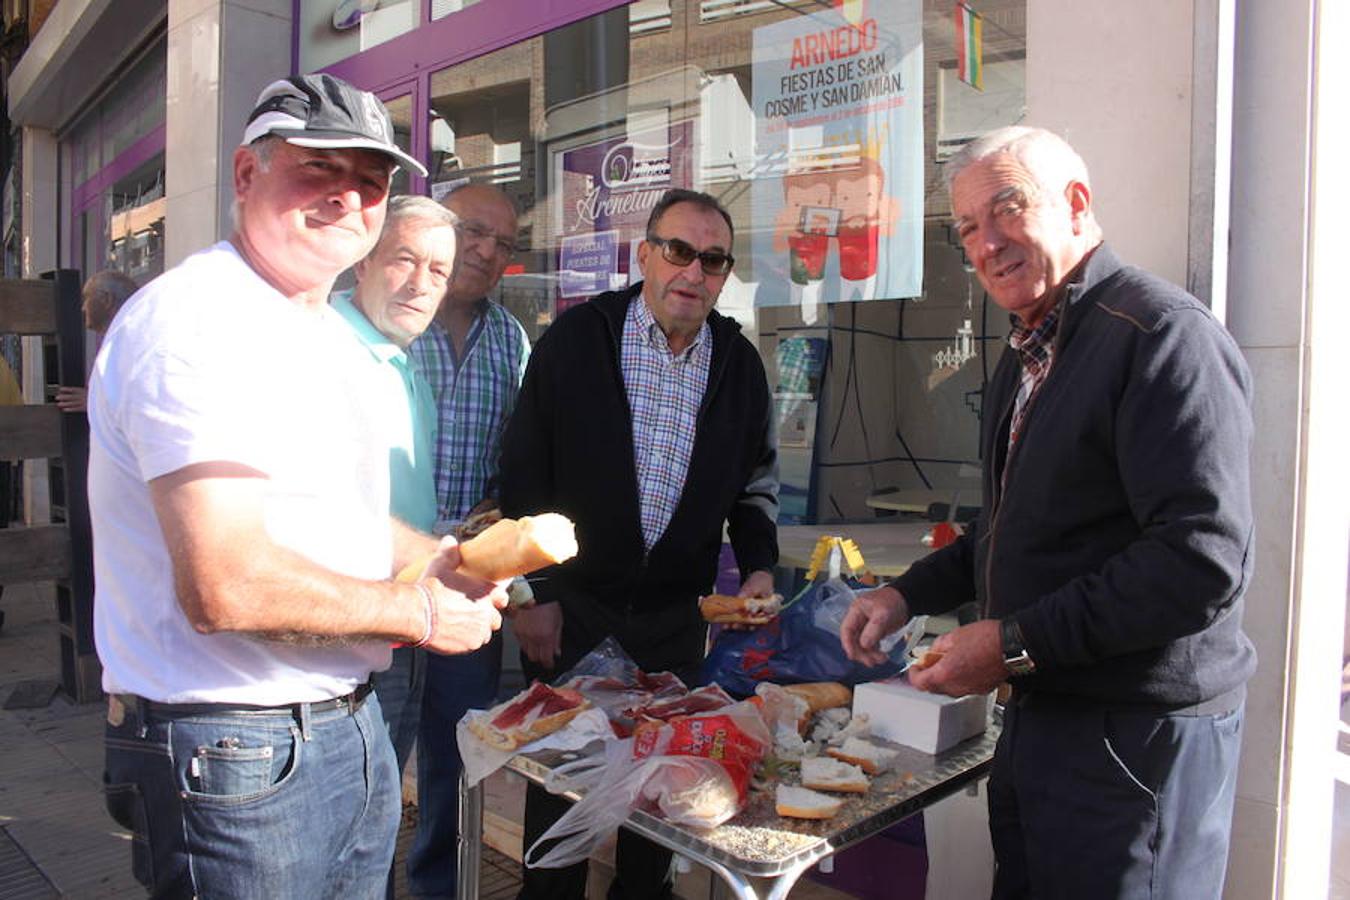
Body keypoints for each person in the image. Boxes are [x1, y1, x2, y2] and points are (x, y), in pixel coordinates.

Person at [88, 73, 509, 899]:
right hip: (232, 747)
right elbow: (226, 584)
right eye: (319, 169)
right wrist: (422, 612)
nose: (348, 197)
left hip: (332, 729)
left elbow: (333, 512)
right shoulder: (198, 324)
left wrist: (438, 560)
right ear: (247, 174)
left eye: (371, 180)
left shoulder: (311, 328)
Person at [840, 126, 1255, 900]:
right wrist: (906, 595)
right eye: (967, 227)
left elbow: (1200, 562)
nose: (988, 243)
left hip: (1135, 740)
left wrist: (1012, 644)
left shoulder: (1161, 336)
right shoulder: (1030, 348)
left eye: (1008, 209)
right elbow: (1007, 527)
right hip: (1044, 717)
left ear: (1076, 205)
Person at [500, 187, 780, 900]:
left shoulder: (739, 365)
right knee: (558, 799)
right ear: (645, 255)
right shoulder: (578, 338)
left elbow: (754, 487)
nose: (693, 273)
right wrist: (535, 592)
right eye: (679, 251)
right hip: (576, 606)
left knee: (657, 812)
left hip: (674, 621)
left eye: (712, 260)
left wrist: (758, 569)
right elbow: (525, 473)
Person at [405, 182, 530, 899]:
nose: (487, 251)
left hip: (466, 596)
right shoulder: (384, 323)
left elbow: (513, 466)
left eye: (504, 243)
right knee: (368, 763)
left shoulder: (510, 340)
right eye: (474, 232)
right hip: (382, 586)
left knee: (454, 769)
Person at [330, 193, 457, 895]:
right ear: (365, 261)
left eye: (437, 270)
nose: (420, 283)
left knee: (376, 815)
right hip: (343, 631)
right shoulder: (329, 347)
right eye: (405, 259)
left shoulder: (403, 361)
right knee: (347, 827)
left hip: (406, 621)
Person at [55, 269, 139, 413]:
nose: (83, 308)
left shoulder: (135, 342)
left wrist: (93, 400)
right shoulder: (118, 340)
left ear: (106, 300)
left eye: (86, 298)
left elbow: (143, 398)